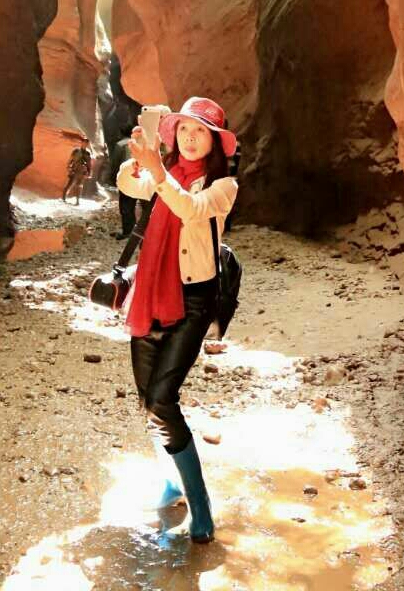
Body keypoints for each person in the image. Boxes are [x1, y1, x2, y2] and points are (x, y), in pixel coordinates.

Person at [117, 96, 238, 544]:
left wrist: (158, 171)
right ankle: (172, 482)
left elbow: (189, 208)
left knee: (163, 399)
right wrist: (138, 162)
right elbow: (131, 187)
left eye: (199, 131)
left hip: (193, 299)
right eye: (184, 129)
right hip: (149, 291)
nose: (189, 137)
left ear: (214, 142)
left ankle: (201, 505)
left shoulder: (224, 186)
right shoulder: (162, 171)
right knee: (149, 401)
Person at [61, 136, 92, 205]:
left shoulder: (88, 153)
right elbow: (70, 160)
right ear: (82, 143)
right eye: (84, 142)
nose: (85, 144)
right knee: (69, 184)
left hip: (82, 171)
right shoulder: (76, 151)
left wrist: (89, 172)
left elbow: (89, 164)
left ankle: (77, 201)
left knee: (79, 186)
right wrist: (68, 168)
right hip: (75, 169)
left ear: (88, 144)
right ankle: (63, 198)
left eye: (86, 143)